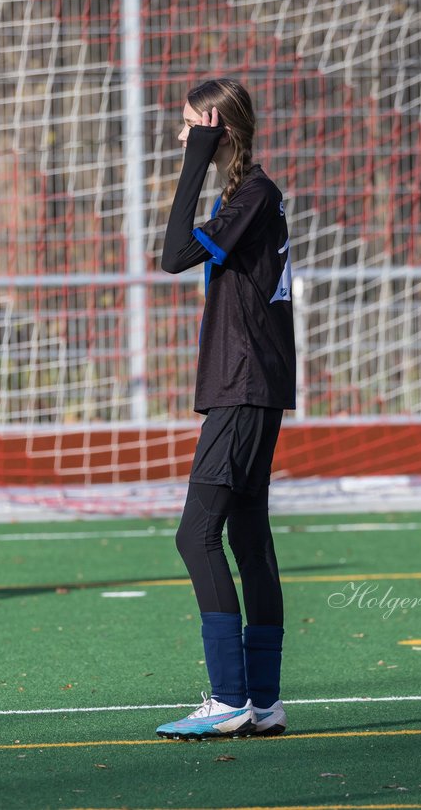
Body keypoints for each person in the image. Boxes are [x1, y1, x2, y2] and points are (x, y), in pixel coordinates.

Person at [154, 79, 295, 740]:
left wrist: (195, 158)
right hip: (251, 382)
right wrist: (202, 155)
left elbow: (173, 256)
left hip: (243, 385)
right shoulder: (244, 195)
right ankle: (262, 703)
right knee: (246, 537)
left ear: (218, 129)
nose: (183, 136)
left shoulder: (253, 194)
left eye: (192, 126)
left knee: (196, 534)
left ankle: (231, 699)